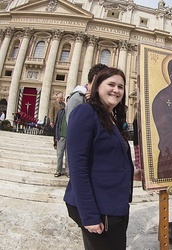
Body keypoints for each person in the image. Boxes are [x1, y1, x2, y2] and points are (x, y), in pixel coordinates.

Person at [64, 67, 134, 250]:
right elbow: (77, 167)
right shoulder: (85, 112)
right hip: (99, 207)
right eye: (111, 84)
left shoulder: (111, 118)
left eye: (121, 86)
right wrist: (89, 215)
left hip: (113, 205)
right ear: (97, 86)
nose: (116, 90)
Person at [53, 102, 68, 177]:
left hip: (69, 137)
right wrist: (56, 137)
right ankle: (58, 170)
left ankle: (67, 171)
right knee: (59, 155)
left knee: (68, 156)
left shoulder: (73, 112)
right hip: (61, 136)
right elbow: (57, 124)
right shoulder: (61, 112)